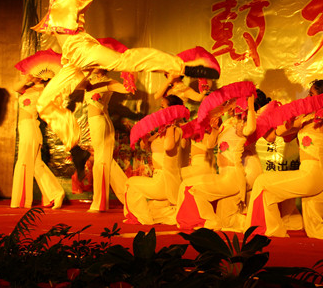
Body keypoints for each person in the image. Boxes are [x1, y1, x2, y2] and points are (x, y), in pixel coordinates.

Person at [33, 0, 218, 151]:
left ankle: (183, 66)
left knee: (125, 61)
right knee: (44, 103)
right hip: (71, 59)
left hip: (80, 47)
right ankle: (73, 142)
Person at [245, 80, 323, 240]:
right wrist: (294, 121)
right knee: (315, 229)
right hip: (313, 176)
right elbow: (278, 133)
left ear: (321, 98)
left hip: (313, 174)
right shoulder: (305, 118)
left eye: (311, 94)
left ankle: (269, 230)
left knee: (262, 182)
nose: (307, 98)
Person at [175, 94, 256, 230]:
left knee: (190, 187)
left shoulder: (242, 124)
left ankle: (208, 221)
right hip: (224, 176)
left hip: (233, 177)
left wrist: (251, 104)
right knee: (226, 221)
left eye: (232, 102)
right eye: (229, 102)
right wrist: (214, 130)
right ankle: (249, 223)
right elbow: (210, 145)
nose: (229, 105)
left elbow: (251, 129)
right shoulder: (227, 123)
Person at [123, 95, 185, 224]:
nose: (159, 110)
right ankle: (150, 213)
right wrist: (144, 136)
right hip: (157, 176)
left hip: (165, 179)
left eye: (162, 107)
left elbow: (168, 147)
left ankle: (142, 218)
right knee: (151, 208)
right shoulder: (161, 130)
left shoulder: (175, 129)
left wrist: (170, 126)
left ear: (172, 109)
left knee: (130, 183)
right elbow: (145, 146)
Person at [11, 74, 66, 209]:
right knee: (37, 166)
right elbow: (15, 88)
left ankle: (20, 200)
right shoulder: (27, 88)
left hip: (31, 126)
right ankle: (55, 194)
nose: (33, 74)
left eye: (37, 73)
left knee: (23, 163)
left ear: (43, 76)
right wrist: (27, 79)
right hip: (24, 127)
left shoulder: (45, 91)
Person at [82, 68, 130, 212]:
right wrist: (88, 71)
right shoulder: (88, 81)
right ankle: (130, 194)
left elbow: (126, 89)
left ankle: (99, 203)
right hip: (97, 122)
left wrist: (130, 75)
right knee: (106, 161)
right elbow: (74, 85)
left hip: (100, 122)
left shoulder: (109, 82)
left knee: (100, 162)